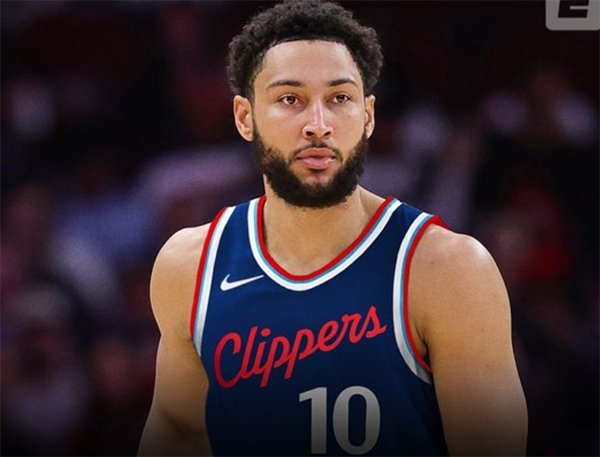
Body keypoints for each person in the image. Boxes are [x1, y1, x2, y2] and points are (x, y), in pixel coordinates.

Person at [138, 1, 528, 456]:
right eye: (290, 99)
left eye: (340, 98)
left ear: (368, 115)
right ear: (245, 117)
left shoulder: (449, 271)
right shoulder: (191, 267)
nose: (318, 125)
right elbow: (179, 432)